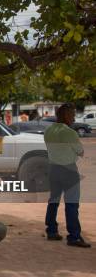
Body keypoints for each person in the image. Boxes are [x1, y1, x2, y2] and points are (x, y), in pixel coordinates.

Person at [44, 103, 90, 247]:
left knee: (53, 201)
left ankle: (51, 231)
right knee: (71, 204)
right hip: (69, 170)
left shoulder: (49, 130)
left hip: (53, 169)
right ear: (67, 115)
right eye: (72, 114)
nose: (74, 117)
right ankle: (74, 237)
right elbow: (80, 152)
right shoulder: (70, 132)